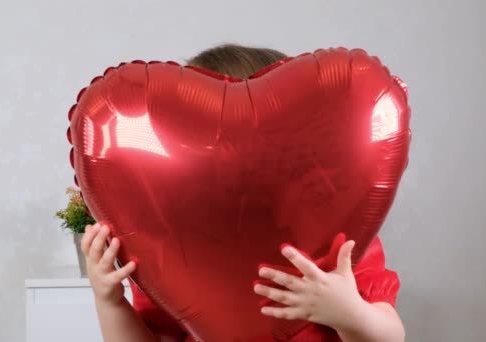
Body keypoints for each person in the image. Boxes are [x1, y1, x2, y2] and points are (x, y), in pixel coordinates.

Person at [81, 44, 406, 342]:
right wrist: (110, 301)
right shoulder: (172, 248)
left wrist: (347, 312)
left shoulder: (335, 239)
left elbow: (390, 337)